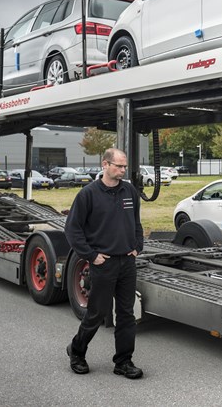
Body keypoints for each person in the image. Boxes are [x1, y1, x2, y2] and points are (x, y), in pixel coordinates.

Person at [65, 148, 145, 379]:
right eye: (118, 166)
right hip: (104, 264)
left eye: (124, 166)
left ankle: (123, 362)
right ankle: (77, 351)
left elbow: (136, 222)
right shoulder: (88, 194)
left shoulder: (129, 191)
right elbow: (72, 229)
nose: (122, 170)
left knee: (126, 314)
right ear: (105, 165)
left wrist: (137, 246)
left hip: (127, 262)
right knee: (97, 313)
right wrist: (91, 256)